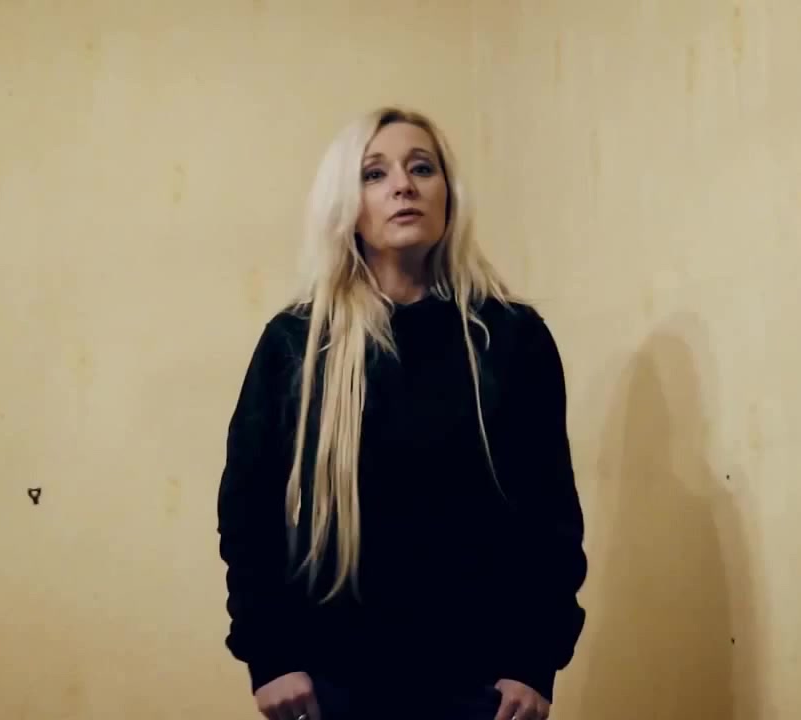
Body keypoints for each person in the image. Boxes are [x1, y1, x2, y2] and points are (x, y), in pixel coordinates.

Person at [216, 106, 588, 720]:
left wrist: (533, 662)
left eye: (422, 168)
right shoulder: (298, 341)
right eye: (374, 173)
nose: (403, 186)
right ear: (346, 203)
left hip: (482, 684)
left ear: (448, 195)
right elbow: (249, 506)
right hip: (333, 679)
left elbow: (549, 513)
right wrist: (271, 654)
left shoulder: (510, 337)